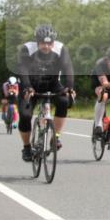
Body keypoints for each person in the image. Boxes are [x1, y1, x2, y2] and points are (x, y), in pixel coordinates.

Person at [17, 25, 75, 161]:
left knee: (64, 101)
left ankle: (55, 138)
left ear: (53, 42)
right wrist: (27, 87)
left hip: (52, 83)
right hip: (31, 84)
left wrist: (70, 87)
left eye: (50, 43)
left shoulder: (61, 49)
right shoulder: (27, 49)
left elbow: (68, 69)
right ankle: (26, 147)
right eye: (43, 43)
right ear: (37, 42)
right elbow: (23, 70)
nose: (47, 46)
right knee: (25, 116)